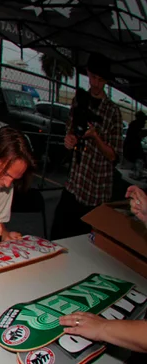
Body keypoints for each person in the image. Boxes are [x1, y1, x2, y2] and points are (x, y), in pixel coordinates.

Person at [51, 53, 123, 240]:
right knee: (59, 235)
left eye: (100, 79)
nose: (95, 83)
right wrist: (70, 140)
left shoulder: (113, 112)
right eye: (92, 77)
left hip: (97, 189)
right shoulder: (79, 100)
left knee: (87, 243)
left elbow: (114, 156)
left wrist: (96, 138)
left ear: (105, 81)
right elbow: (70, 131)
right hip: (76, 183)